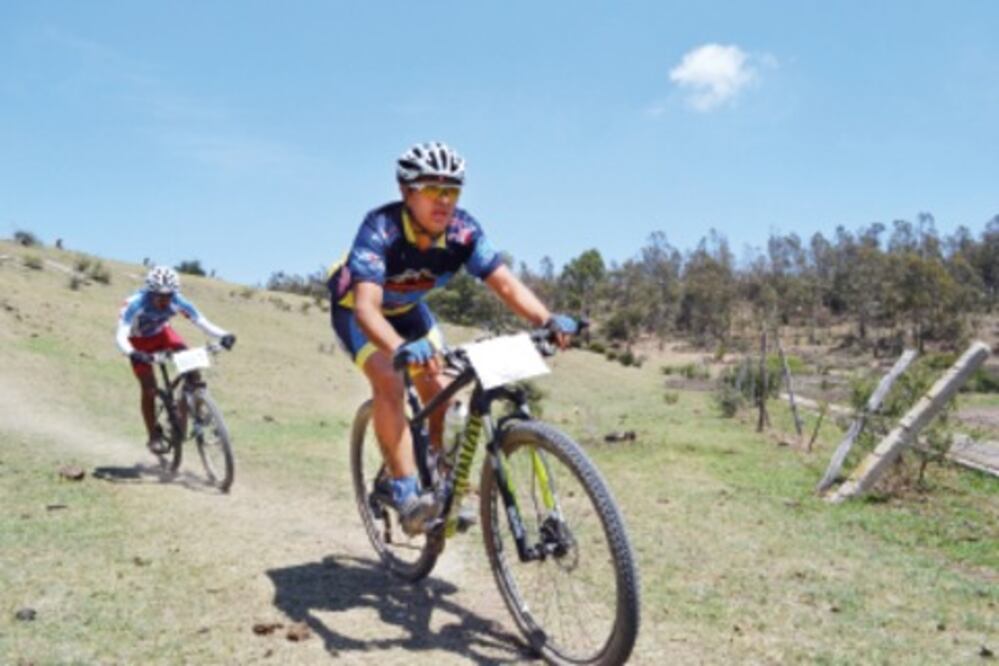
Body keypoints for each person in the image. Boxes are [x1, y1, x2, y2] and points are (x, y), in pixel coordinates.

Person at [327, 141, 579, 535]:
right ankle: (405, 491)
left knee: (443, 388)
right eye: (432, 189)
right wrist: (400, 348)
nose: (444, 200)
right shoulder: (380, 228)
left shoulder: (463, 232)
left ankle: (440, 480)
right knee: (390, 380)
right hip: (359, 314)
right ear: (406, 191)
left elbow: (505, 285)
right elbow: (367, 309)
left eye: (453, 190)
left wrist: (546, 319)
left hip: (409, 311)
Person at [115, 266, 236, 453]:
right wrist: (132, 352)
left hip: (163, 335)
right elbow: (121, 334)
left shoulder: (178, 300)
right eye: (160, 296)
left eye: (169, 296)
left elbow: (200, 321)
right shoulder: (135, 304)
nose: (165, 300)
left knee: (193, 369)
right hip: (137, 342)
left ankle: (196, 406)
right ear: (150, 292)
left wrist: (224, 334)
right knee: (148, 388)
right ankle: (153, 436)